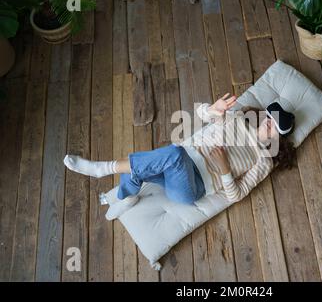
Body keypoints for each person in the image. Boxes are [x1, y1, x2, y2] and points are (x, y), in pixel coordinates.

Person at [64, 93, 296, 220]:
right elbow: (200, 114)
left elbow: (237, 195)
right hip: (180, 164)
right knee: (145, 165)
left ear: (277, 140)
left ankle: (103, 168)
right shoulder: (237, 117)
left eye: (275, 126)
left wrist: (225, 169)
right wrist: (211, 110)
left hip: (194, 186)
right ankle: (127, 196)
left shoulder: (263, 160)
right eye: (270, 116)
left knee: (174, 153)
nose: (269, 121)